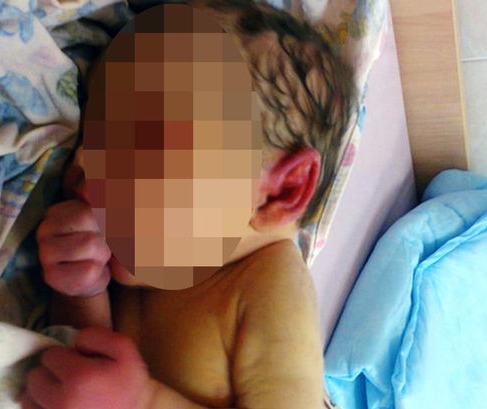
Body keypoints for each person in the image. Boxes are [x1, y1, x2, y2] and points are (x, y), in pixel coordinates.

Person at [20, 1, 353, 408]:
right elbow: (83, 377)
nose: (84, 166)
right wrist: (81, 294)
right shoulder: (150, 263)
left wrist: (142, 402)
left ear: (280, 192)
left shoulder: (271, 291)